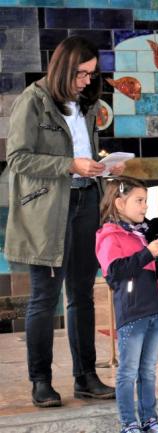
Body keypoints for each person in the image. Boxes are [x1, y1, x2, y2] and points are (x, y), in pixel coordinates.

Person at [4, 35, 123, 408]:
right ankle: (41, 381)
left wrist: (103, 169)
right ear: (64, 68)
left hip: (86, 199)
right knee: (44, 299)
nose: (88, 81)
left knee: (82, 295)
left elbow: (84, 153)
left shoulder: (85, 104)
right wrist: (67, 165)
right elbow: (18, 159)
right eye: (82, 74)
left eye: (92, 74)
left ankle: (85, 377)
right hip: (46, 212)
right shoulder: (33, 101)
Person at [95, 177, 158, 433]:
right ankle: (129, 423)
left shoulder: (145, 233)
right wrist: (146, 253)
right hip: (132, 313)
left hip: (155, 311)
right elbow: (114, 273)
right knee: (128, 372)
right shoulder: (110, 235)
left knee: (148, 371)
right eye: (139, 201)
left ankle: (150, 419)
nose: (144, 207)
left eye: (146, 201)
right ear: (119, 203)